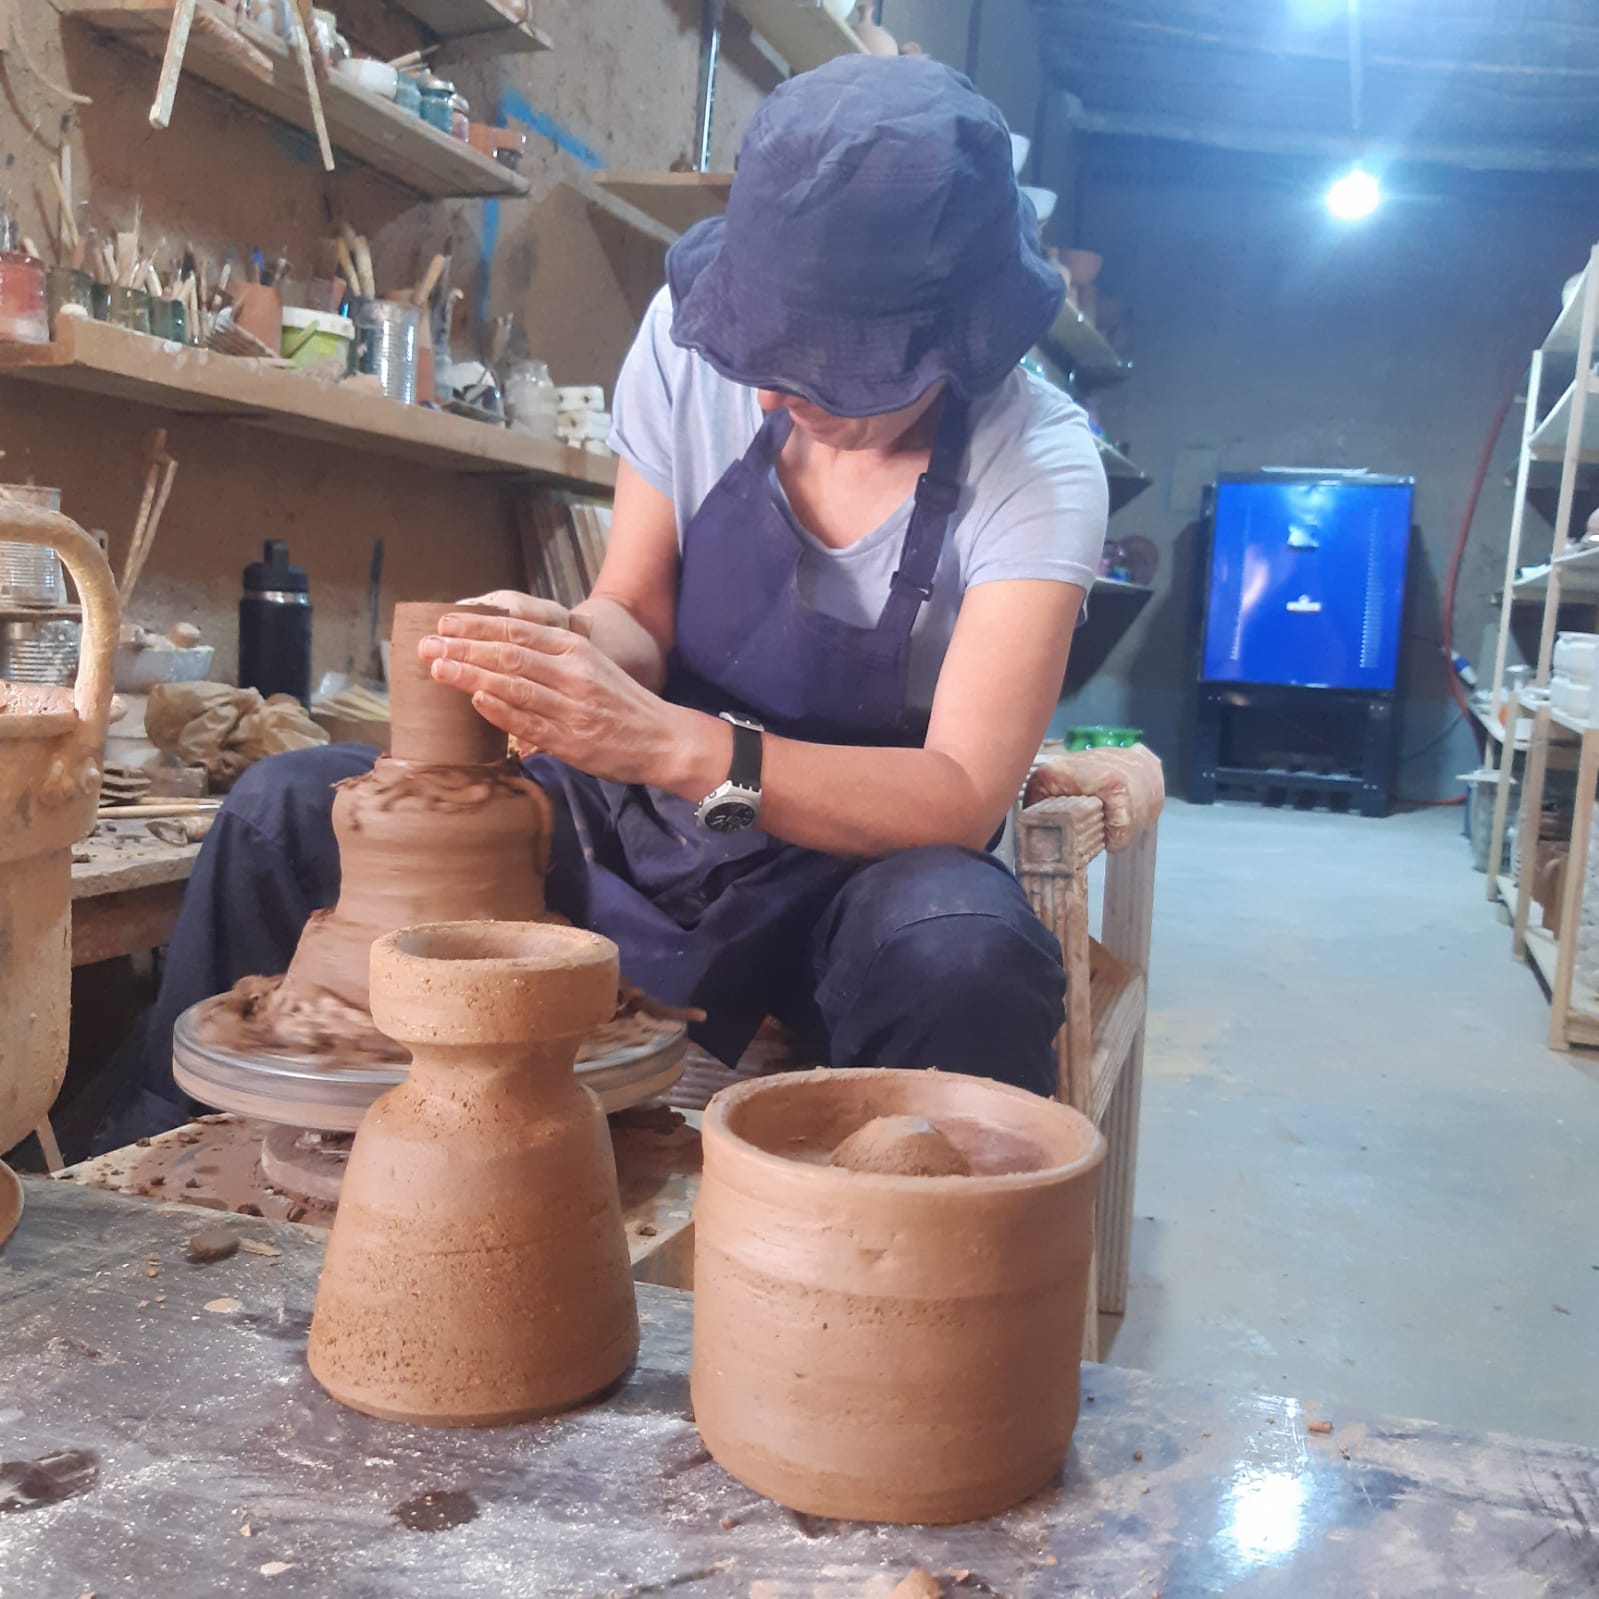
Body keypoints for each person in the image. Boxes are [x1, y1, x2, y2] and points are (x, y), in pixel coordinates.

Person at [113, 54, 1107, 1141]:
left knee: (966, 952)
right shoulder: (695, 353)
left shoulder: (1037, 460)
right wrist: (564, 645)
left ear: (952, 342)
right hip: (643, 809)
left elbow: (960, 793)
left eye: (830, 372)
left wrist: (677, 746)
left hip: (856, 856)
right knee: (284, 809)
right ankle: (171, 1173)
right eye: (762, 352)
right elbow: (637, 607)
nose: (769, 391)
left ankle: (891, 1281)